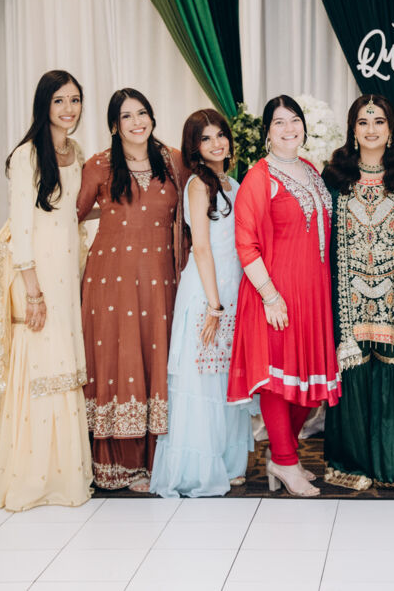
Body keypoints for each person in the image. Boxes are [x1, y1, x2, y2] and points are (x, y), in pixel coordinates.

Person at [0, 69, 92, 511]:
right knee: (41, 365)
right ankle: (31, 477)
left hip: (68, 272)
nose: (69, 109)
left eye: (75, 100)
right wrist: (32, 292)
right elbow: (22, 229)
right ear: (44, 104)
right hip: (38, 275)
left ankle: (66, 475)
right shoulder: (26, 156)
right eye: (59, 100)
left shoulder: (76, 152)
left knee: (65, 364)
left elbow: (75, 215)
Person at [228, 94, 340, 497]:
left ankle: (282, 455)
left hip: (314, 294)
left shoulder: (310, 169)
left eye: (294, 120)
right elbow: (246, 244)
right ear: (267, 132)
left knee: (308, 385)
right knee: (278, 382)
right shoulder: (259, 177)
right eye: (279, 122)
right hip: (276, 294)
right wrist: (270, 295)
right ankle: (286, 460)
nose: (289, 128)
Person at [77, 89, 186, 491]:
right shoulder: (99, 165)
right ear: (114, 126)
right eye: (127, 116)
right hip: (111, 283)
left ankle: (157, 461)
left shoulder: (174, 161)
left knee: (156, 358)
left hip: (161, 280)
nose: (137, 122)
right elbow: (71, 214)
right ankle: (119, 464)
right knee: (116, 359)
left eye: (142, 113)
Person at [320, 94, 394, 490]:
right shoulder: (335, 176)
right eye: (363, 122)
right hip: (348, 297)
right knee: (354, 376)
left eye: (379, 121)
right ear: (352, 129)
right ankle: (351, 464)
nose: (371, 129)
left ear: (391, 128)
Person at [150, 109, 255, 497]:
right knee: (204, 378)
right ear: (194, 147)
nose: (216, 143)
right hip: (206, 293)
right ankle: (199, 468)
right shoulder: (198, 185)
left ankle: (228, 463)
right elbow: (202, 248)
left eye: (220, 135)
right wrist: (214, 305)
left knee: (226, 378)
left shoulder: (234, 182)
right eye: (205, 138)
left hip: (232, 289)